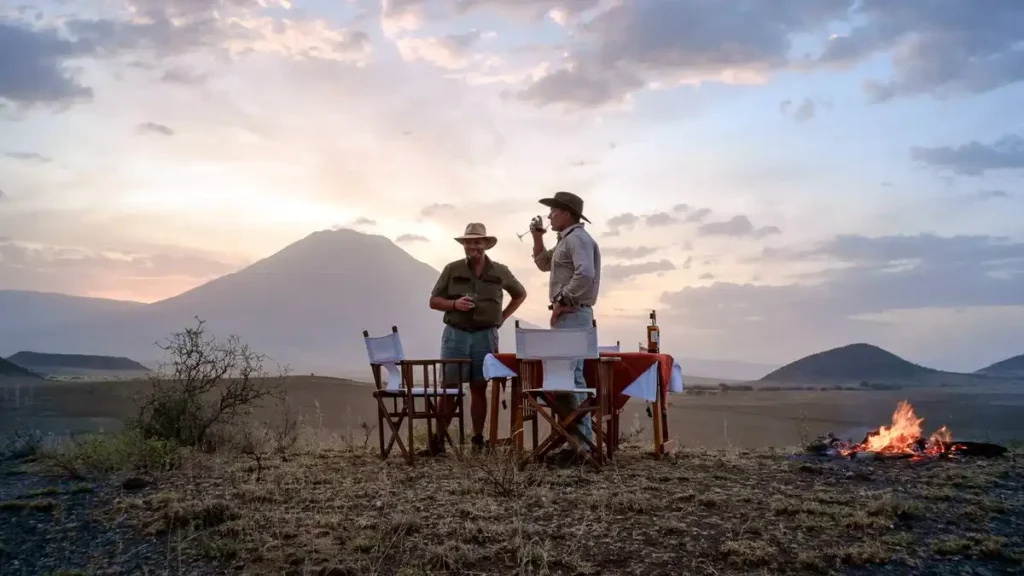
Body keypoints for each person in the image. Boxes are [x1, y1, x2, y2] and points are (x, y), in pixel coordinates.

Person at [427, 222, 527, 455]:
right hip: (456, 335)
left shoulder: (500, 271)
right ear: (464, 245)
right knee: (450, 387)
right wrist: (454, 304)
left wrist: (502, 317)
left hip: (485, 335)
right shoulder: (451, 269)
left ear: (486, 244)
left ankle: (478, 440)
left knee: (479, 387)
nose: (473, 246)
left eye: (477, 241)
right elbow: (433, 301)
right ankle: (438, 442)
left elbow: (520, 294)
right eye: (469, 242)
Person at [531, 191, 601, 459]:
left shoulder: (579, 239)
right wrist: (538, 236)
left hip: (572, 314)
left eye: (553, 211)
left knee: (569, 378)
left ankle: (580, 443)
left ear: (567, 213)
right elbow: (543, 264)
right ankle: (575, 440)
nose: (549, 215)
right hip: (569, 315)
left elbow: (585, 273)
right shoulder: (565, 241)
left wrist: (562, 299)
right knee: (568, 377)